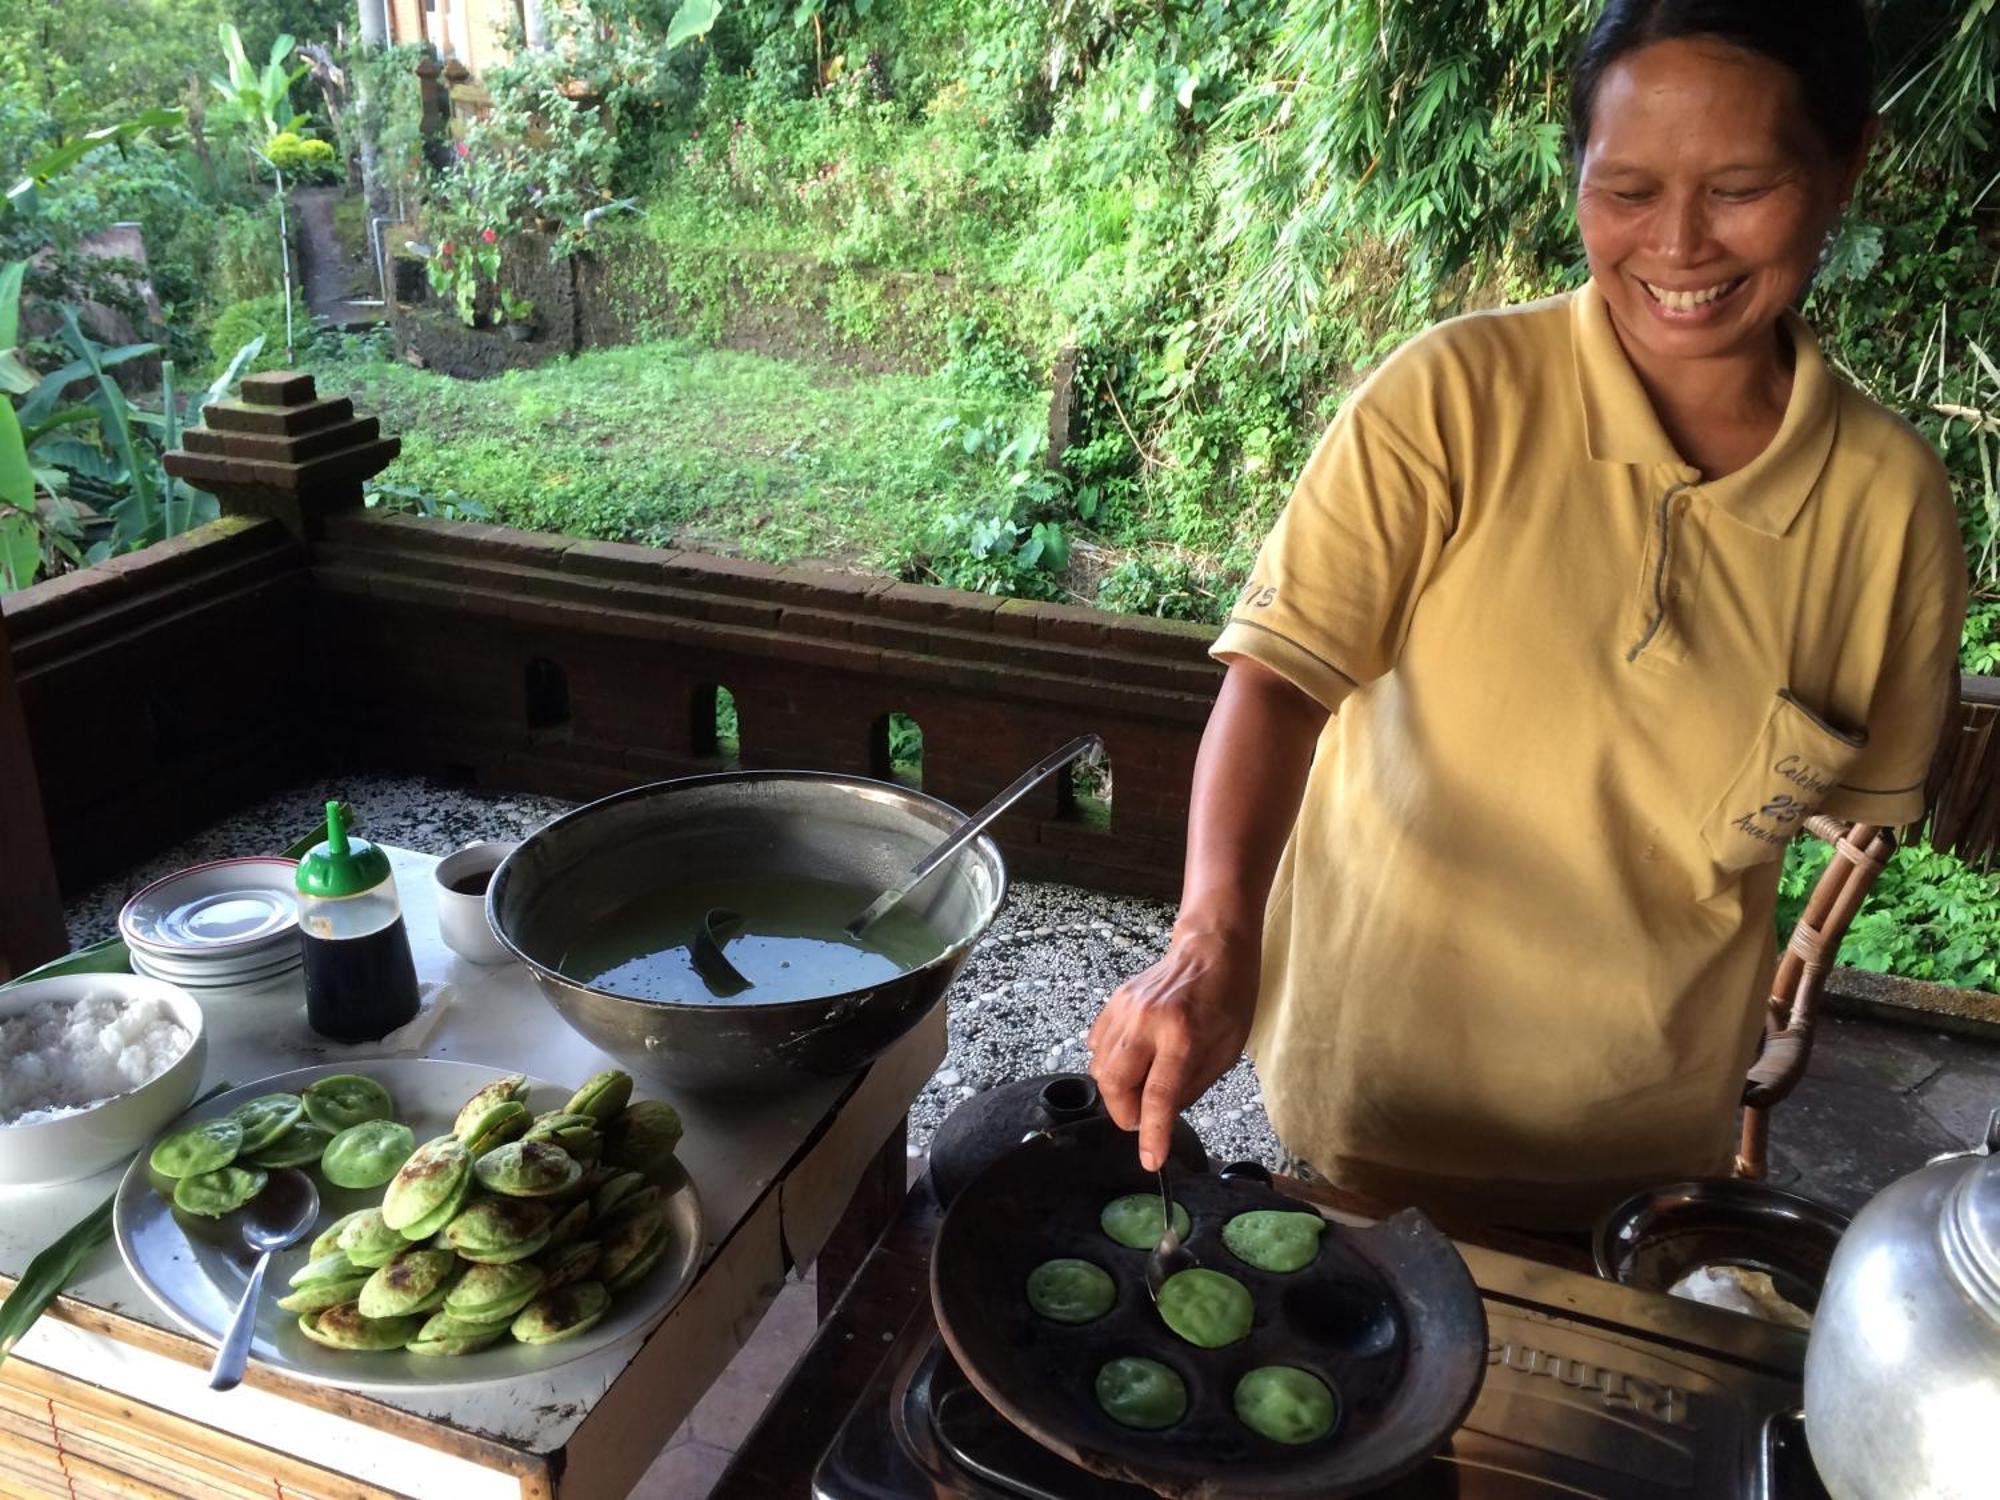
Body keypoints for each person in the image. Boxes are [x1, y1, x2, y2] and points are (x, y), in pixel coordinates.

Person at [1086, 0, 1969, 1230]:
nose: (1676, 243)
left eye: (1738, 188)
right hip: (1369, 1098)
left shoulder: (1889, 508)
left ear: (1844, 168)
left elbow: (1846, 809)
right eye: (1626, 190)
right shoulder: (1447, 401)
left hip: (1642, 1143)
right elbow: (1279, 683)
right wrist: (1208, 942)